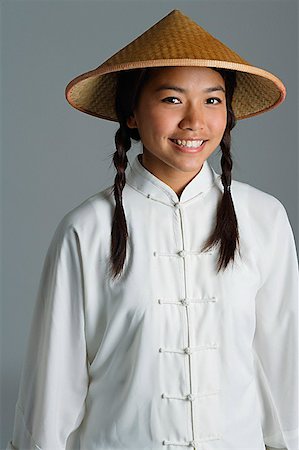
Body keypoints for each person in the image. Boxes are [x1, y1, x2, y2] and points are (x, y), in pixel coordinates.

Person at [7, 9, 298, 450]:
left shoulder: (264, 218)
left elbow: (283, 363)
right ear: (131, 115)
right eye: (172, 99)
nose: (195, 121)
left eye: (213, 100)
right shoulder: (85, 229)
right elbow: (54, 383)